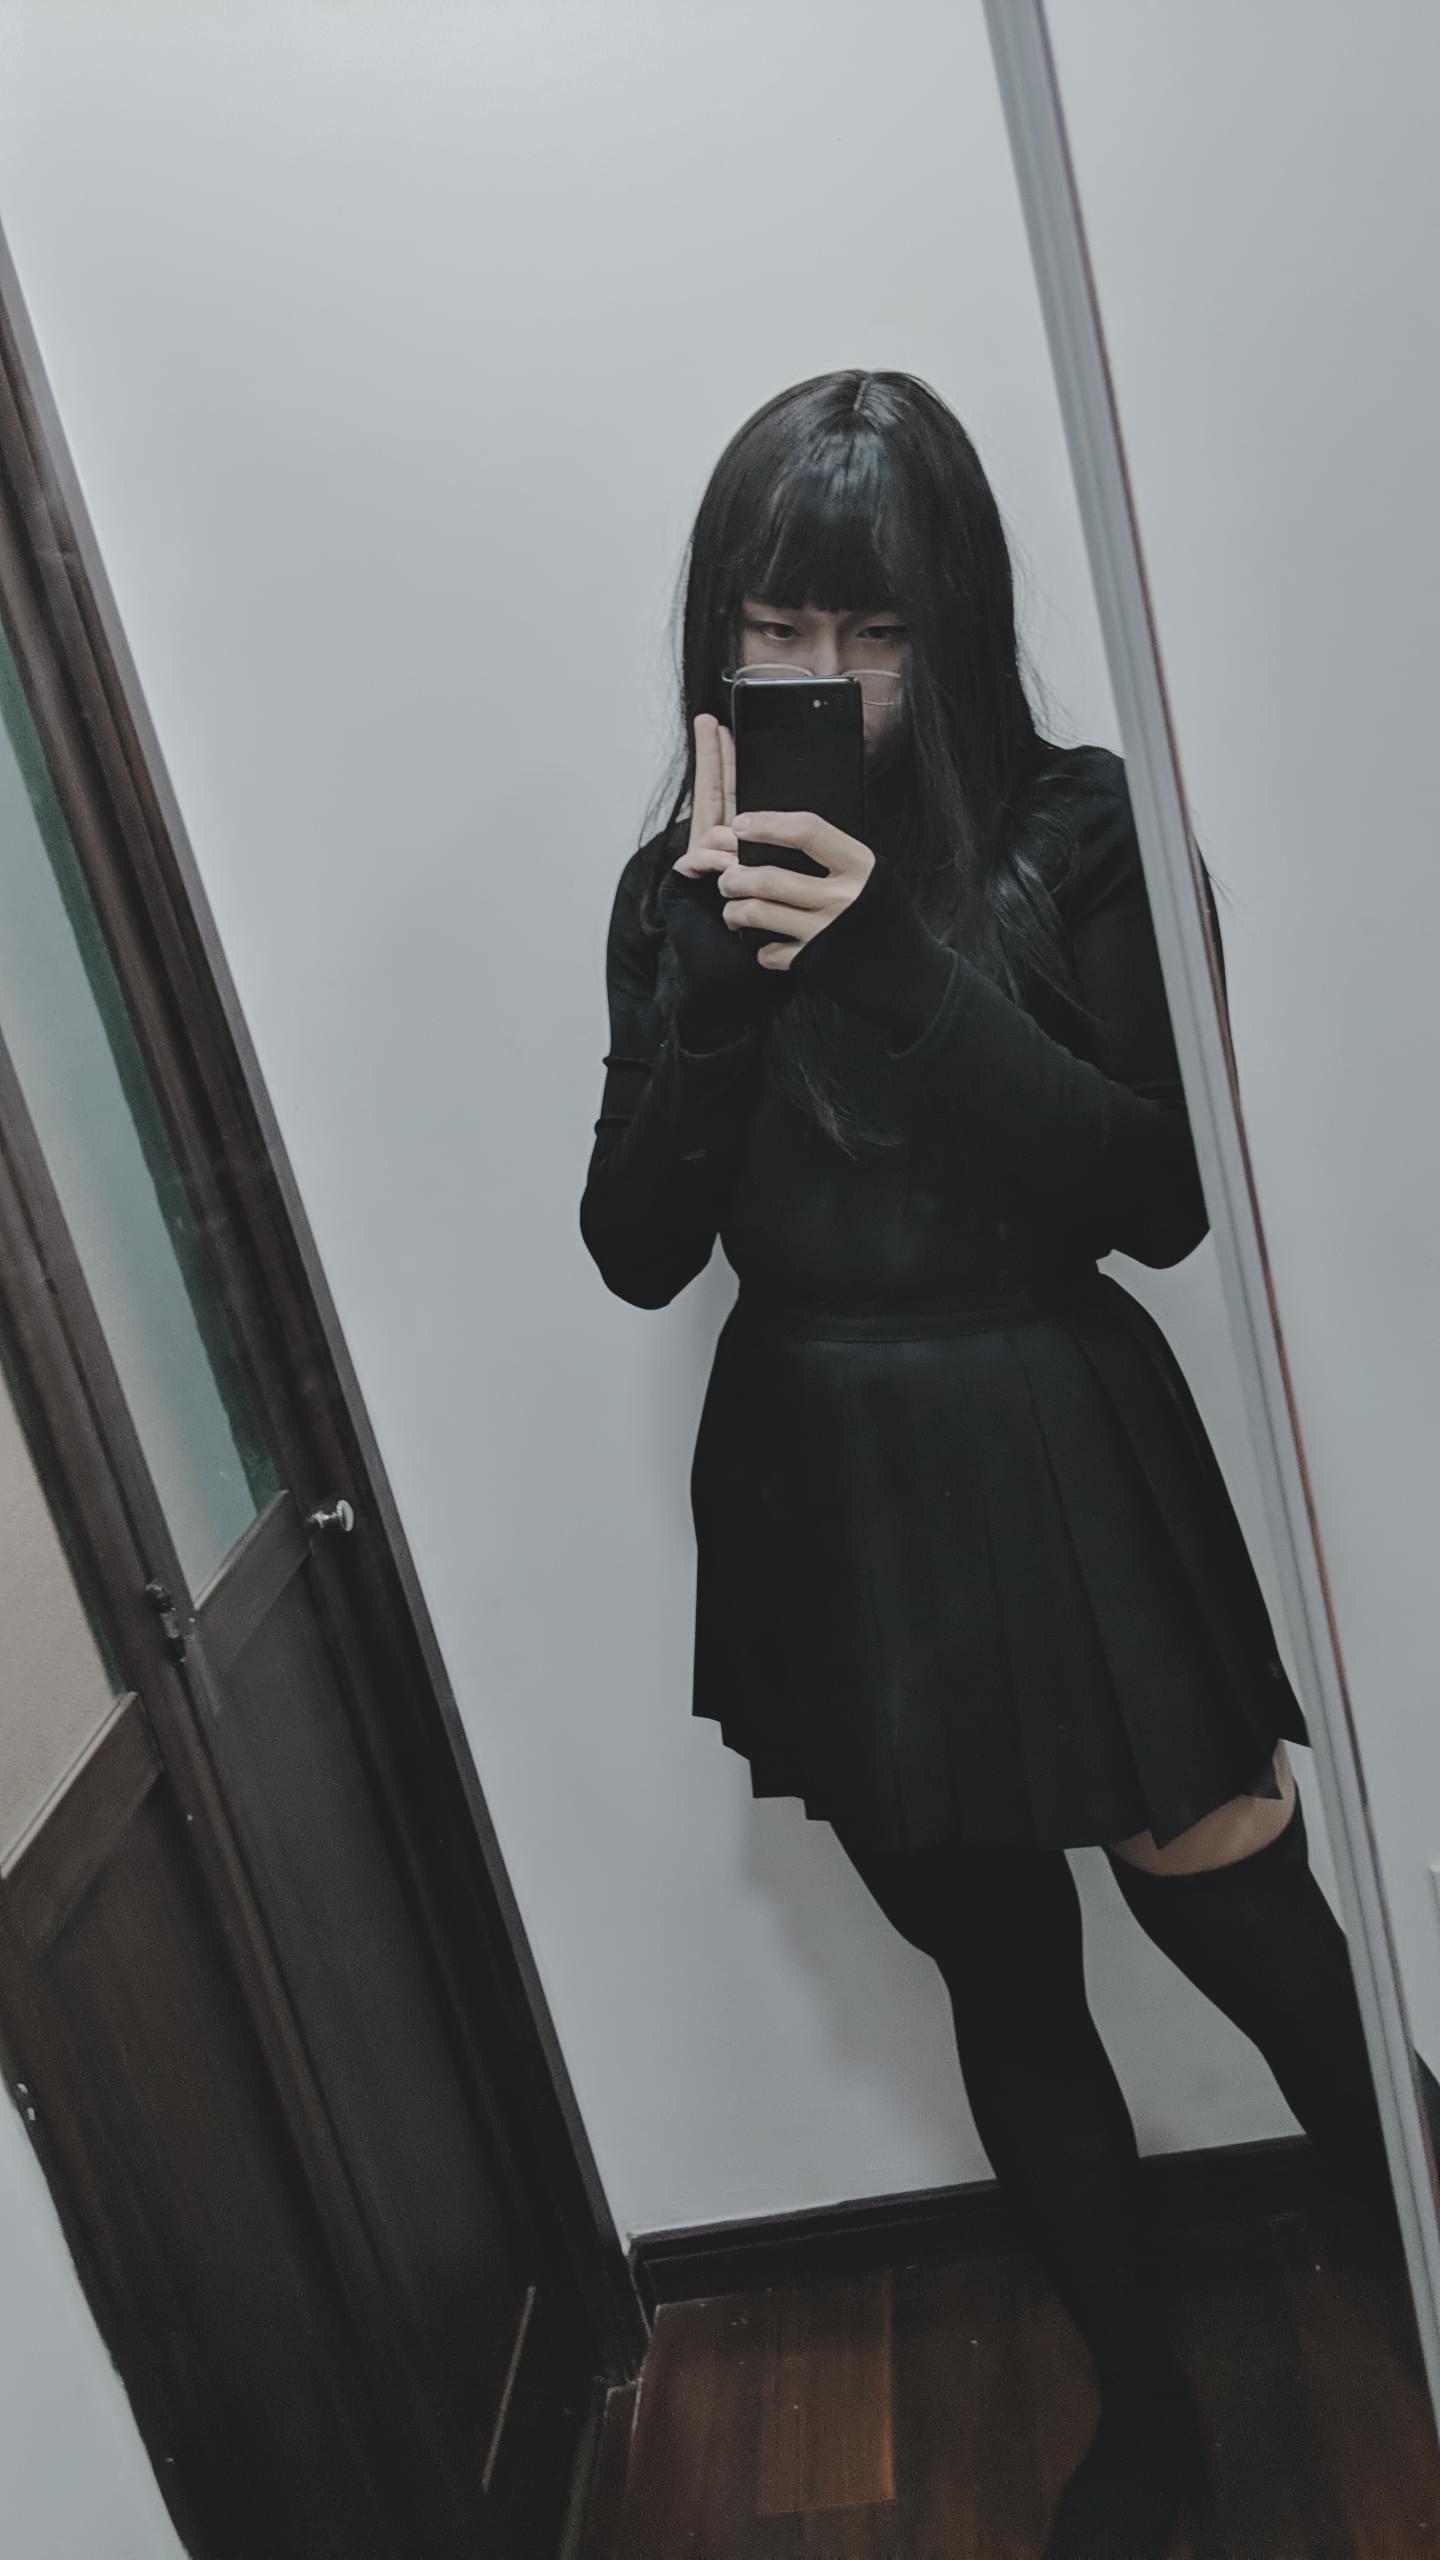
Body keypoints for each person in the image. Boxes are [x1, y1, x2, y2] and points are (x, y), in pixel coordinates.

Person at [579, 369, 1433, 2556]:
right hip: (825, 1478)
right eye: (780, 626)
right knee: (1008, 1978)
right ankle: (1144, 2411)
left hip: (1058, 1435)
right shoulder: (676, 890)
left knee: (1260, 1937)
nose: (827, 676)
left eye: (875, 631)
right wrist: (716, 990)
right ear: (720, 629)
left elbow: (1158, 1197)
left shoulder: (1085, 830)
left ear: (952, 621)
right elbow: (637, 1245)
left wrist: (885, 959)